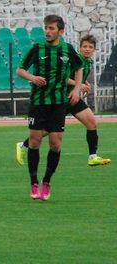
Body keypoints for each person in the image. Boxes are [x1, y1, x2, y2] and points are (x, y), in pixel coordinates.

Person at [16, 15, 84, 201]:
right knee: (35, 141)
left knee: (56, 144)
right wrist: (32, 78)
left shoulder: (67, 49)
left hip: (58, 103)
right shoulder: (37, 48)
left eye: (51, 28)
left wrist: (76, 89)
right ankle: (34, 183)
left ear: (60, 31)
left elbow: (79, 68)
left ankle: (46, 181)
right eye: (46, 27)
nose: (47, 31)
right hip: (38, 103)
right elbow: (20, 69)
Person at [16, 35, 110, 166]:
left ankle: (92, 157)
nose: (87, 49)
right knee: (50, 129)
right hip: (60, 98)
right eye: (85, 46)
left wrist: (84, 83)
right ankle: (23, 145)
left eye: (90, 47)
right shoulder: (73, 60)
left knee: (92, 123)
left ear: (94, 49)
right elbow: (63, 77)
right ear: (80, 48)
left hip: (73, 98)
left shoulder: (88, 62)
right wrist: (79, 85)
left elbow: (79, 77)